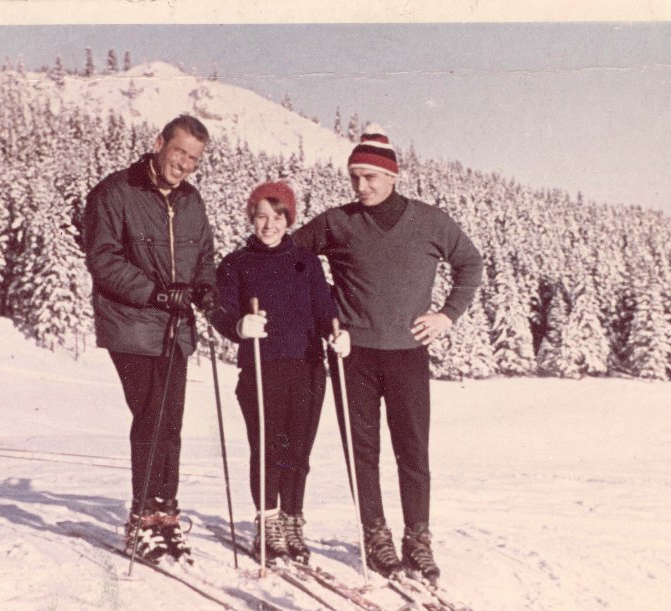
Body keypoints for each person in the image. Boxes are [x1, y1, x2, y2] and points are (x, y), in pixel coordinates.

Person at [292, 124, 483, 584]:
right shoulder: (337, 221)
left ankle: (417, 539)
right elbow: (290, 260)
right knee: (363, 452)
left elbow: (470, 263)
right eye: (354, 177)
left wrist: (447, 315)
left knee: (413, 452)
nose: (361, 186)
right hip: (352, 354)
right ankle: (375, 536)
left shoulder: (430, 221)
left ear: (393, 176)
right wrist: (326, 311)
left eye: (370, 177)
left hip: (408, 354)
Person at [82, 114, 218, 564]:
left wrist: (204, 290)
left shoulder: (192, 202)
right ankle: (143, 518)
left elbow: (204, 257)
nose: (183, 166)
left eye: (193, 160)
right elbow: (103, 259)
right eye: (179, 152)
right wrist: (155, 291)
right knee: (151, 416)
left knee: (170, 422)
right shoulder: (116, 192)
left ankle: (165, 515)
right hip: (131, 323)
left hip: (175, 329)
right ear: (159, 143)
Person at [211, 181, 350, 564]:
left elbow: (325, 309)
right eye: (260, 217)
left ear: (289, 218)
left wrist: (338, 335)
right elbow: (220, 312)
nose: (269, 225)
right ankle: (268, 521)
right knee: (268, 449)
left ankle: (291, 518)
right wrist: (238, 326)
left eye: (277, 216)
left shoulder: (306, 261)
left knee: (298, 451)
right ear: (250, 219)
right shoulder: (236, 264)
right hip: (261, 368)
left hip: (307, 367)